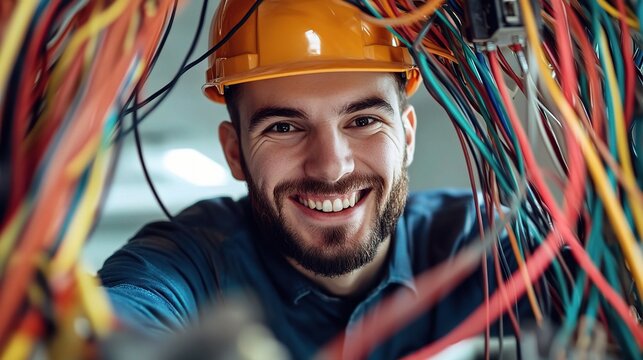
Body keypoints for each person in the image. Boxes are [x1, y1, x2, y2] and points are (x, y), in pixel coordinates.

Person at [98, 0, 533, 358]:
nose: (331, 167)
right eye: (284, 128)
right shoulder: (187, 265)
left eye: (363, 120)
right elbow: (113, 322)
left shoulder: (487, 245)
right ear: (235, 153)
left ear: (408, 136)